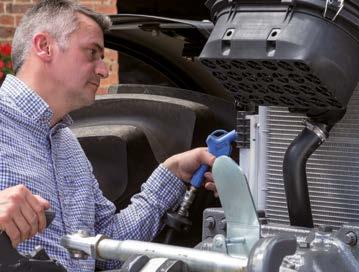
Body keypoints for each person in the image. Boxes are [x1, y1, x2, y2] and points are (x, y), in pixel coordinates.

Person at [0, 0, 217, 271]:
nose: (103, 69)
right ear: (45, 46)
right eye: (92, 53)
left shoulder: (66, 143)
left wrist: (172, 173)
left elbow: (108, 247)